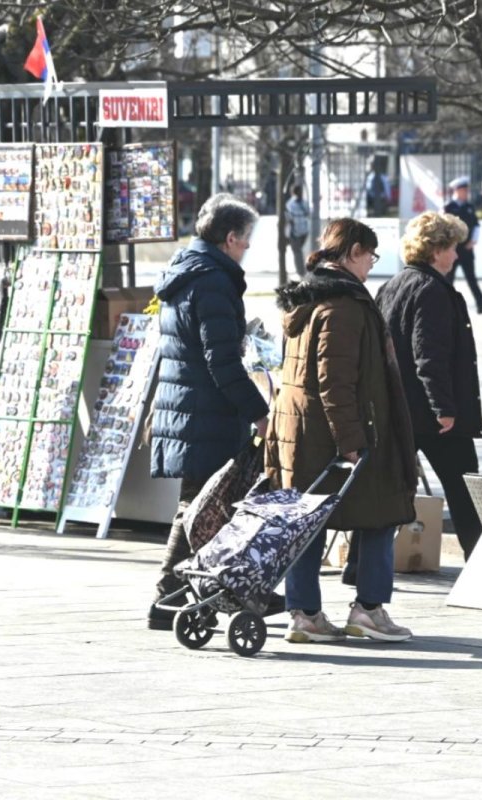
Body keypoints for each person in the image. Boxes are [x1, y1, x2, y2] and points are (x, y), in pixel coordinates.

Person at [266, 218, 418, 643]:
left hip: (302, 435)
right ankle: (368, 609)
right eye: (370, 255)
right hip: (340, 435)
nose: (372, 263)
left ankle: (306, 614)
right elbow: (336, 382)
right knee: (381, 513)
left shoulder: (308, 299)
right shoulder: (344, 306)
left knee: (308, 522)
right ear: (352, 252)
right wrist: (352, 442)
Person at [146, 193, 271, 630]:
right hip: (206, 412)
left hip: (191, 408)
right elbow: (221, 360)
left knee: (204, 502)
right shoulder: (214, 280)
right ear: (230, 237)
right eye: (246, 239)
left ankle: (216, 591)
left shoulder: (188, 271)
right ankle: (169, 596)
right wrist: (259, 412)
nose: (249, 248)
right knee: (201, 505)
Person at [376, 211, 482, 559]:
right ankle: (480, 563)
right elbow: (430, 356)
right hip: (434, 417)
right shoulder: (432, 291)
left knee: (389, 492)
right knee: (465, 490)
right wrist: (445, 410)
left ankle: (360, 566)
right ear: (436, 250)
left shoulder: (392, 286)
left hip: (399, 409)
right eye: (453, 247)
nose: (457, 255)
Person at [443, 176, 482, 314]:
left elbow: (476, 225)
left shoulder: (469, 207)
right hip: (451, 250)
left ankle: (481, 304)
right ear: (458, 191)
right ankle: (445, 306)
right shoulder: (448, 207)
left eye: (467, 190)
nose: (466, 193)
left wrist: (473, 241)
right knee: (448, 280)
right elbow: (443, 228)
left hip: (466, 250)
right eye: (464, 190)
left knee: (471, 278)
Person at [284, 184, 310, 278]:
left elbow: (288, 218)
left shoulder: (294, 204)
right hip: (299, 231)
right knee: (298, 251)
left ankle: (301, 271)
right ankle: (301, 271)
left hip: (299, 231)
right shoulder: (299, 203)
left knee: (298, 251)